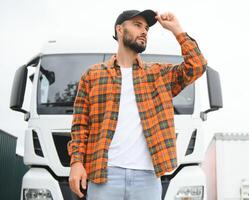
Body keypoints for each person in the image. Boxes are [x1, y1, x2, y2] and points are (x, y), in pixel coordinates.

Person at [67, 9, 208, 200]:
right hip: (104, 175)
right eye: (137, 25)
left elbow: (197, 65)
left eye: (147, 28)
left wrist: (177, 30)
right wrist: (76, 163)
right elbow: (80, 125)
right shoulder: (93, 75)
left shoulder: (158, 74)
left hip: (147, 178)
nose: (144, 31)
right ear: (119, 29)